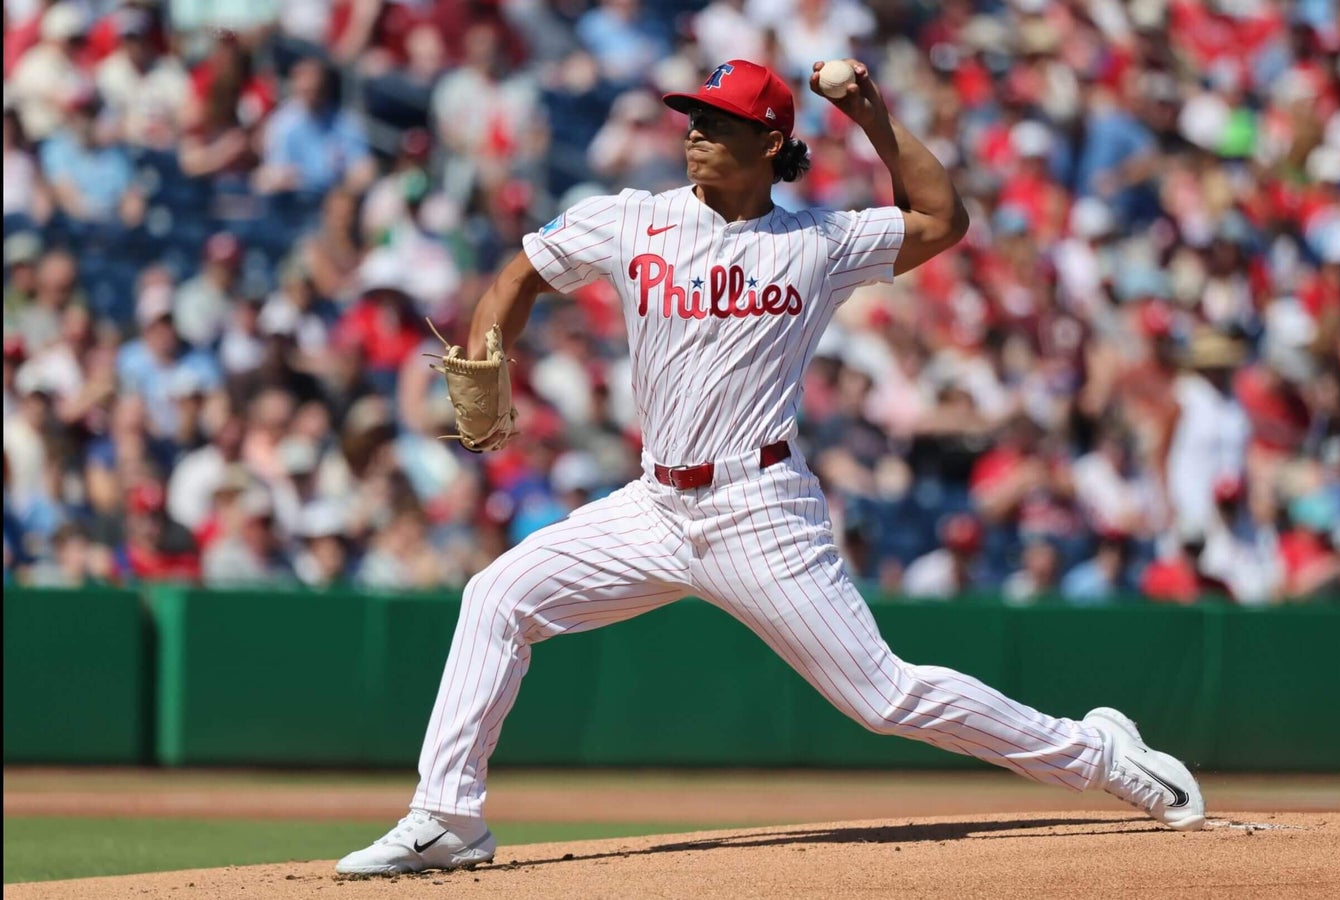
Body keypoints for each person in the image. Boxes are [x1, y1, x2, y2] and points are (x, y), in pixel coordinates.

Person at [336, 58, 1205, 877]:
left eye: (718, 121)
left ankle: (1099, 753)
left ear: (768, 145)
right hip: (652, 507)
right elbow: (519, 274)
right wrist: (489, 350)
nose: (695, 132)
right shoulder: (632, 216)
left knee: (884, 699)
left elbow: (942, 220)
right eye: (692, 117)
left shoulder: (817, 241)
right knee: (495, 596)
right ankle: (450, 817)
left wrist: (868, 113)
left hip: (759, 507)